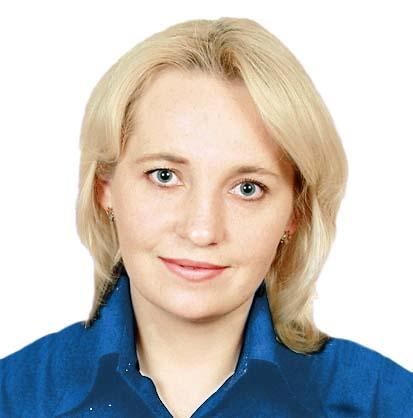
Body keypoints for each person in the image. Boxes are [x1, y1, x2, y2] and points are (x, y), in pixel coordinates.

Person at [1, 16, 412, 418]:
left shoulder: (383, 405)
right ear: (104, 188)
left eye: (247, 188)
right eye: (164, 176)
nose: (201, 230)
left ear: (296, 212)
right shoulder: (14, 399)